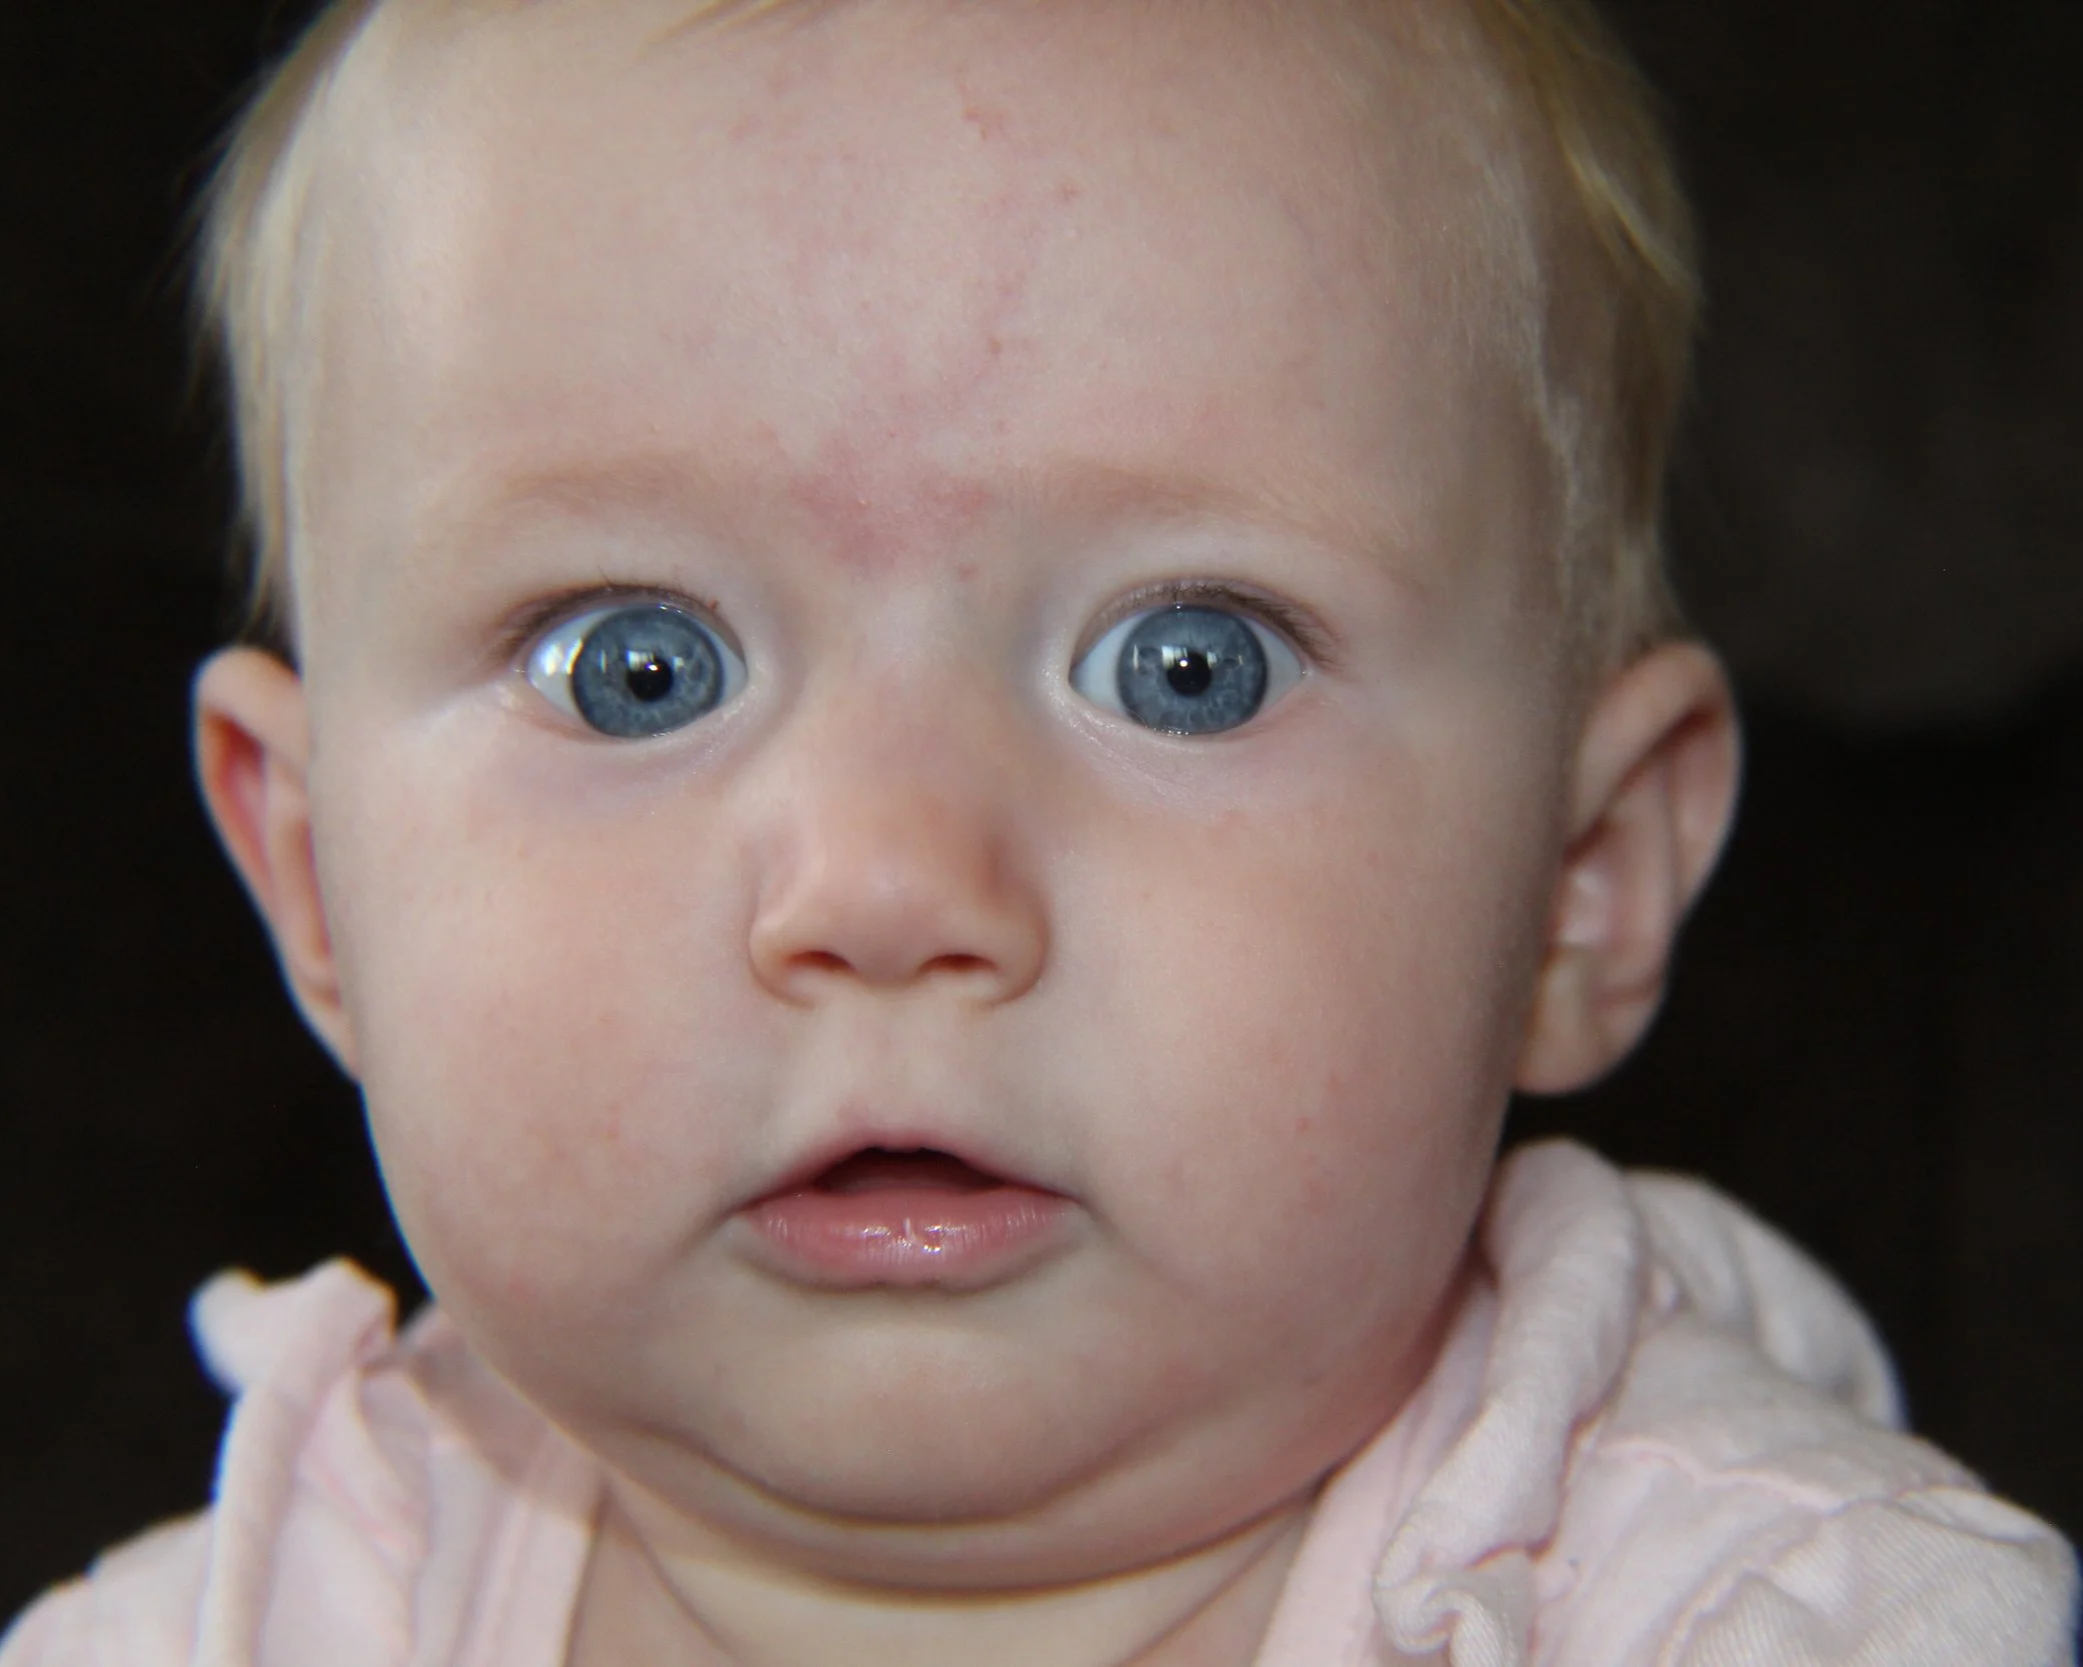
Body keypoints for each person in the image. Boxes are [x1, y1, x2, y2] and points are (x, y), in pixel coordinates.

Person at [5, 0, 2075, 1661]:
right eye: (634, 664)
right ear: (315, 883)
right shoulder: (235, 1613)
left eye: (1192, 663)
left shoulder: (1762, 1606)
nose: (893, 885)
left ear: (1581, 879)